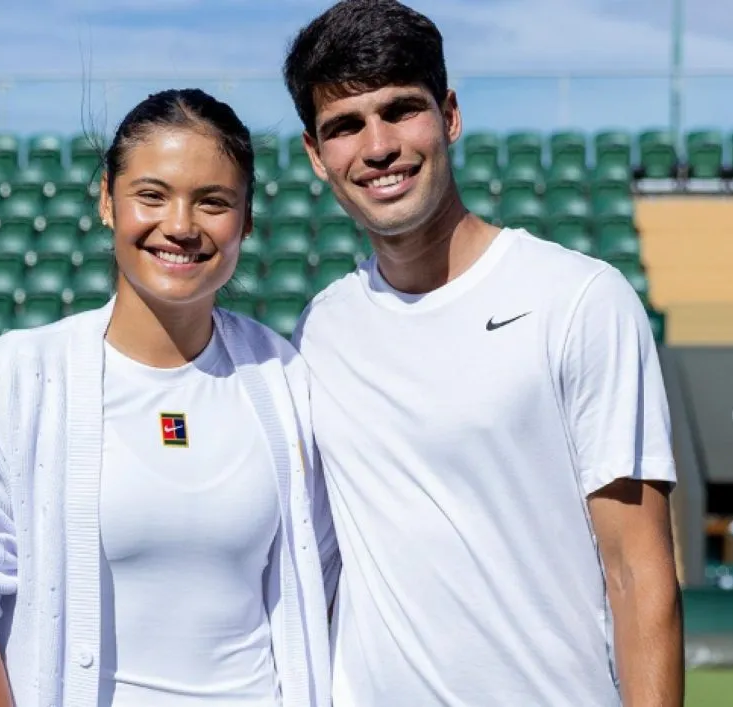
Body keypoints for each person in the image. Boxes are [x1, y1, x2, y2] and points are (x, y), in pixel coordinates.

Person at [282, 1, 685, 705]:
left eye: (400, 110)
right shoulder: (320, 328)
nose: (377, 146)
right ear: (318, 157)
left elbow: (638, 572)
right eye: (345, 125)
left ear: (451, 115)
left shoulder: (580, 299)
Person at [0, 88, 338, 707]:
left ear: (247, 219)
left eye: (213, 202)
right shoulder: (21, 375)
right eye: (151, 195)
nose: (181, 226)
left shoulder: (284, 376)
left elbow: (320, 578)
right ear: (107, 200)